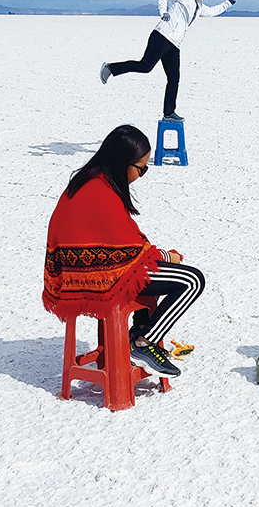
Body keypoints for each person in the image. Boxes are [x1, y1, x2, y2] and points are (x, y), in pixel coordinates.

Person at [43, 124, 205, 377]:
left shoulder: (89, 181)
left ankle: (140, 335)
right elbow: (129, 250)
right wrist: (165, 256)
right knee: (192, 280)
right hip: (101, 278)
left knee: (153, 275)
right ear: (123, 162)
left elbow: (120, 242)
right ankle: (142, 343)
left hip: (76, 275)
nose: (142, 174)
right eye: (141, 168)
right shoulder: (101, 192)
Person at [99, 0, 236, 121]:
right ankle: (111, 68)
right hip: (162, 36)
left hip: (174, 44)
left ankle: (169, 113)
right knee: (145, 66)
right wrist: (163, 11)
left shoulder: (199, 5)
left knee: (174, 78)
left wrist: (227, 4)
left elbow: (212, 11)